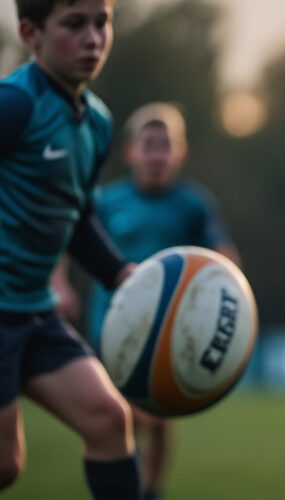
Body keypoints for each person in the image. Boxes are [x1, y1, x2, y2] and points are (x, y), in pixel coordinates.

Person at [53, 101, 240, 500]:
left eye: (165, 145)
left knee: (155, 419)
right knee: (122, 415)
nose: (157, 154)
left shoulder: (193, 203)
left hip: (174, 332)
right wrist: (61, 284)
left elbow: (221, 252)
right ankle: (130, 485)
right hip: (113, 328)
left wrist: (231, 289)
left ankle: (150, 491)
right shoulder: (106, 201)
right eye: (149, 144)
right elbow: (67, 239)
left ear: (180, 152)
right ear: (131, 152)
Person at [0, 1, 141, 499]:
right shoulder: (14, 104)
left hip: (35, 311)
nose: (92, 39)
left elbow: (77, 217)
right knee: (5, 465)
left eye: (101, 23)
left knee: (108, 418)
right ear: (30, 33)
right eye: (74, 25)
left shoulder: (98, 123)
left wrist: (120, 271)